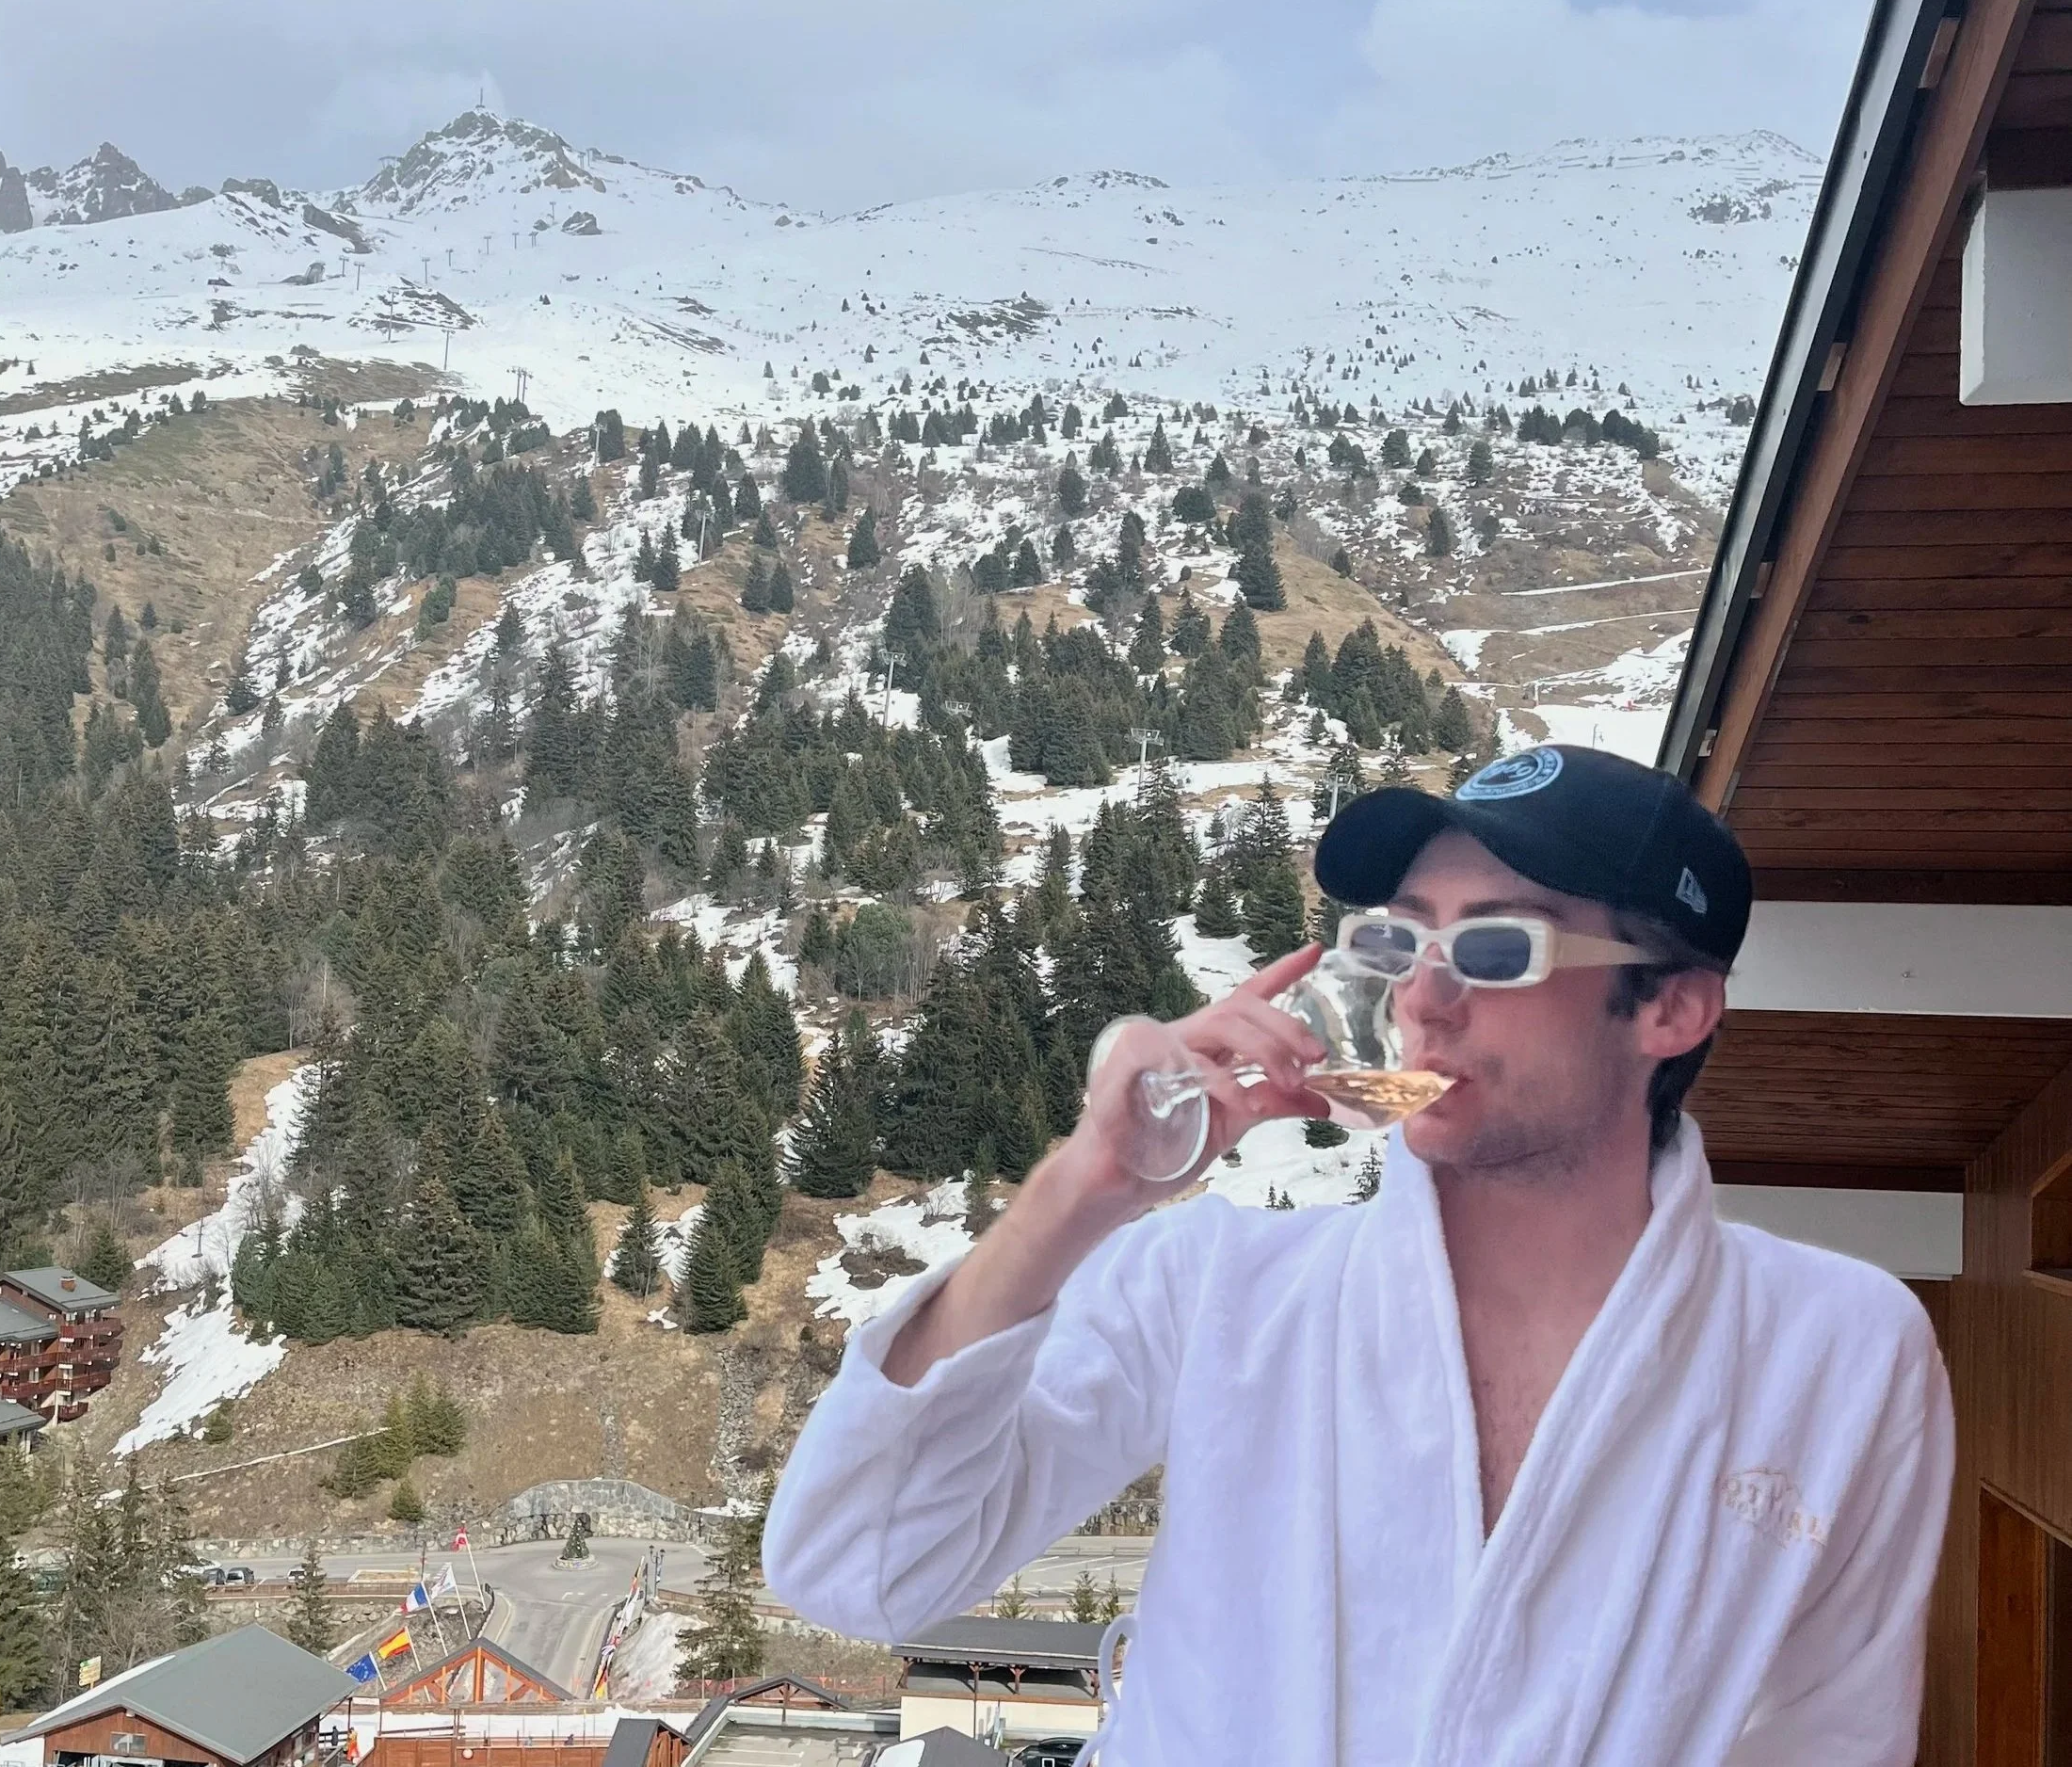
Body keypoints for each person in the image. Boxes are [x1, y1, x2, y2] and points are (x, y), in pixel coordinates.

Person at [764, 746, 1952, 1764]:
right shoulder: (1217, 1286)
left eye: (1496, 952)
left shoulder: (1839, 1351)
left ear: (1671, 1011)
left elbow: (1831, 1738)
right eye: (1397, 942)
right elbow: (857, 1568)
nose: (1423, 1001)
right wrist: (1079, 1194)